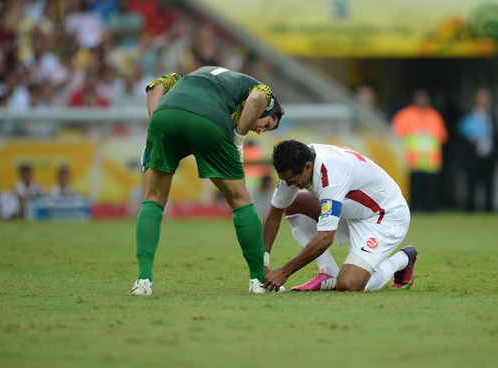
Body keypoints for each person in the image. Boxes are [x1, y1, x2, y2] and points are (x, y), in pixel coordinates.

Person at [129, 66, 285, 296]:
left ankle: (143, 282)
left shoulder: (189, 77)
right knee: (241, 201)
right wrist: (238, 139)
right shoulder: (262, 90)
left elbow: (155, 87)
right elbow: (258, 98)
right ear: (269, 110)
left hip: (165, 116)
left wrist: (156, 128)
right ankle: (258, 281)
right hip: (209, 119)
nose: (261, 131)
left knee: (153, 198)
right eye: (268, 124)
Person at [262, 140, 417, 292]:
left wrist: (284, 271)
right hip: (352, 209)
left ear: (308, 167)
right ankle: (329, 272)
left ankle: (404, 258)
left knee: (349, 284)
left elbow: (325, 237)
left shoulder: (331, 176)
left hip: (384, 217)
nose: (288, 185)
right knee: (294, 203)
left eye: (292, 181)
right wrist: (262, 262)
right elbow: (274, 211)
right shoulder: (301, 158)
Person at [391, 89, 448, 212]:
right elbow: (394, 136)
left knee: (431, 188)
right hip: (412, 160)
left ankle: (431, 210)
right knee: (413, 188)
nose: (422, 101)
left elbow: (442, 137)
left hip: (431, 162)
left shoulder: (435, 116)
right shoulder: (404, 115)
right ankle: (412, 209)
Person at [458, 89, 498, 212]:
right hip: (473, 157)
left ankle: (489, 209)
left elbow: (497, 139)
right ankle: (469, 209)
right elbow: (461, 136)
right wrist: (470, 141)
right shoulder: (469, 117)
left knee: (489, 184)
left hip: (489, 156)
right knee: (471, 184)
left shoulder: (492, 118)